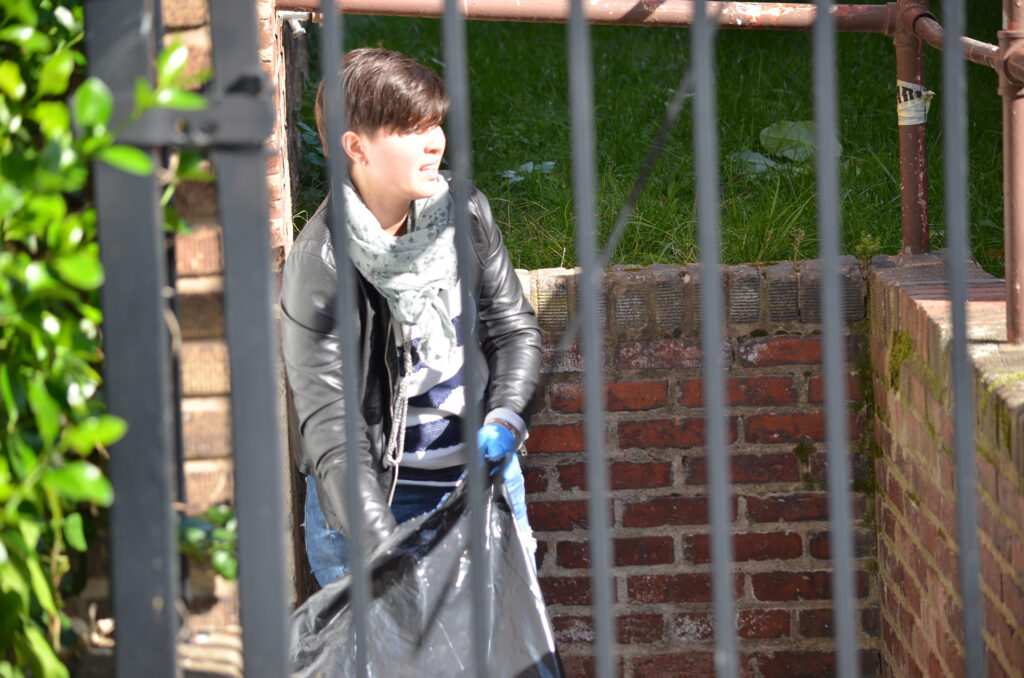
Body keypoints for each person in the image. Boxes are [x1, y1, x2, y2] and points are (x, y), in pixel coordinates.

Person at [280, 48, 543, 587]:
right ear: (356, 147)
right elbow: (332, 435)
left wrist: (505, 419)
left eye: (436, 124)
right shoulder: (320, 266)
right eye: (411, 129)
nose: (435, 142)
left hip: (482, 486)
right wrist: (388, 553)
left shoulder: (465, 213)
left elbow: (514, 330)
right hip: (374, 510)